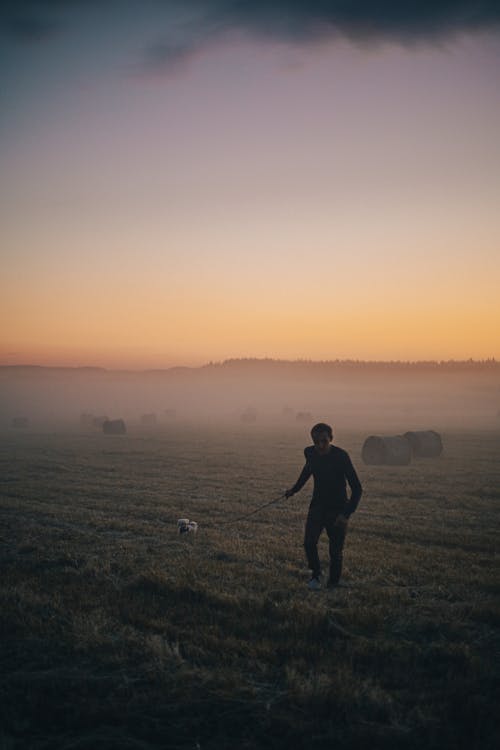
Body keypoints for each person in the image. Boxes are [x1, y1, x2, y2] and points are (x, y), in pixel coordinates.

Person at [285, 422, 362, 590]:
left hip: (338, 508)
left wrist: (346, 514)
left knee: (335, 552)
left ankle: (333, 583)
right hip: (318, 505)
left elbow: (357, 489)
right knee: (309, 542)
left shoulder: (341, 457)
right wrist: (294, 489)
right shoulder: (310, 453)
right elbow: (308, 470)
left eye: (324, 441)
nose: (320, 445)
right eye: (316, 441)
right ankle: (316, 574)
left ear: (331, 439)